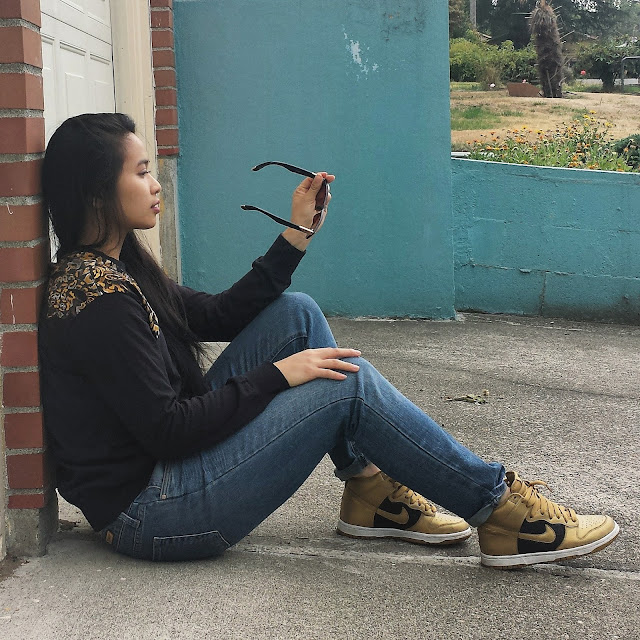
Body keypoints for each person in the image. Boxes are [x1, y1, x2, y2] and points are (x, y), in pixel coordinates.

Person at [38, 113, 619, 568]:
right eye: (141, 172)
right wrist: (278, 376)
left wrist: (296, 232)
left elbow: (216, 316)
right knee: (342, 386)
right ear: (97, 192)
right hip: (154, 513)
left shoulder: (118, 266)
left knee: (297, 314)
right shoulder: (99, 299)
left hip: (169, 475)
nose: (155, 184)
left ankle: (369, 492)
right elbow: (167, 430)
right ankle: (502, 513)